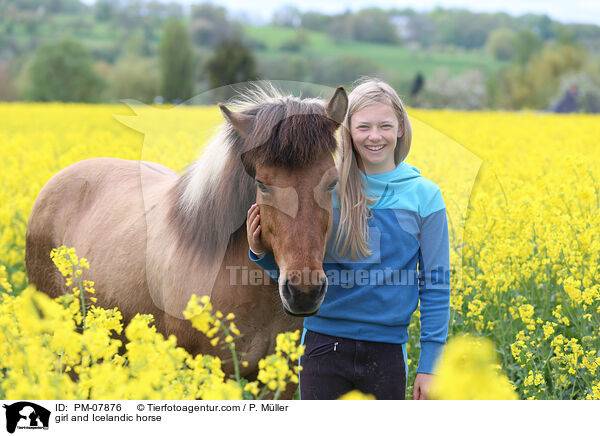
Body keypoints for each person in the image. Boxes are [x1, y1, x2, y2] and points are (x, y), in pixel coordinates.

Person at [246, 78, 450, 400]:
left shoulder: (425, 196)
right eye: (363, 126)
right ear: (348, 130)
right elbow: (301, 270)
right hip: (322, 346)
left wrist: (431, 365)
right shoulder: (327, 191)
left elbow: (436, 284)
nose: (374, 136)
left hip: (387, 351)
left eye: (385, 125)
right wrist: (260, 253)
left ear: (400, 128)